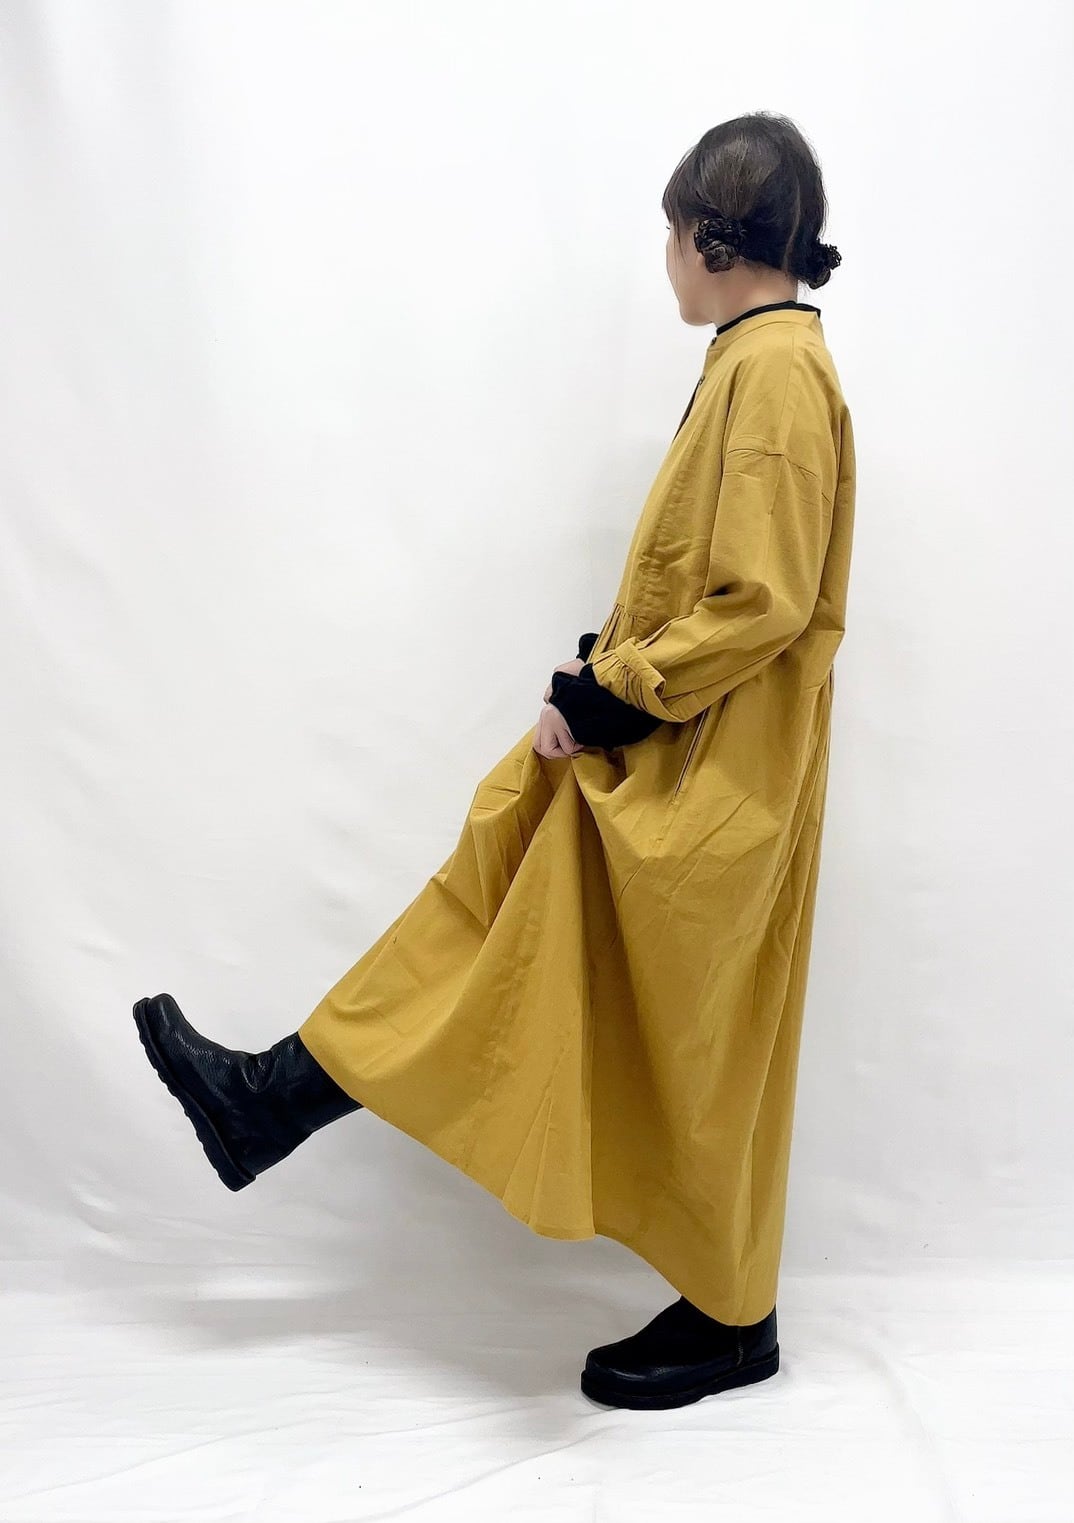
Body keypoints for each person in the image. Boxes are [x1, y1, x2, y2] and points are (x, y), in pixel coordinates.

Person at [133, 109, 855, 1412]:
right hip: (678, 752)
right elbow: (709, 577)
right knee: (491, 904)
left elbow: (763, 601)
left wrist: (613, 695)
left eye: (669, 238)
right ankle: (271, 1097)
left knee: (685, 1038)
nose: (664, 263)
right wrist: (604, 683)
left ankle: (730, 1314)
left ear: (709, 237)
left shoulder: (776, 377)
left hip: (708, 778)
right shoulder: (759, 361)